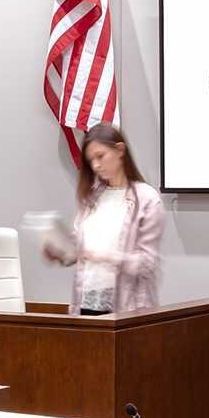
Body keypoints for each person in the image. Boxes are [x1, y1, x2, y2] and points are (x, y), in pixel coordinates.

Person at [41, 121, 165, 316]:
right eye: (91, 160)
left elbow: (147, 264)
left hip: (127, 308)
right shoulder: (93, 196)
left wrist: (104, 257)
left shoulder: (147, 199)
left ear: (120, 150)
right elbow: (79, 247)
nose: (96, 165)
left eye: (100, 156)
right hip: (87, 301)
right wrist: (60, 251)